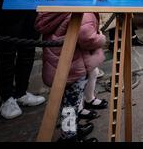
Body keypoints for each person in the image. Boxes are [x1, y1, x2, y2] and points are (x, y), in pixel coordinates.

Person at [35, 12, 105, 141]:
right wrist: (101, 38)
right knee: (71, 104)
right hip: (73, 66)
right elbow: (88, 38)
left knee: (69, 103)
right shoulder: (81, 10)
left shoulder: (55, 10)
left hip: (60, 64)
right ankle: (69, 137)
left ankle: (72, 129)